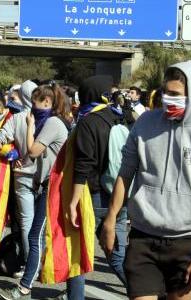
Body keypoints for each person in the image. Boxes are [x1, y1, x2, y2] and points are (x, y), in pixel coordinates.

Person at [101, 61, 191, 300]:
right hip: (142, 238)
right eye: (165, 93)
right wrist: (110, 220)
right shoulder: (145, 123)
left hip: (185, 242)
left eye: (175, 95)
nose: (168, 99)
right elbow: (125, 173)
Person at [0, 83, 71, 300]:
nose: (33, 108)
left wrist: (30, 125)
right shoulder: (52, 121)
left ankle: (24, 287)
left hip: (54, 186)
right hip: (47, 185)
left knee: (36, 235)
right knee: (44, 236)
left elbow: (33, 150)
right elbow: (35, 155)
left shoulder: (53, 123)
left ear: (47, 103)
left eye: (36, 103)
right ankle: (59, 288)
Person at [70, 75, 128, 286]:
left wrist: (74, 200)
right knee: (118, 249)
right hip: (120, 191)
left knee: (77, 247)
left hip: (96, 195)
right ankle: (145, 291)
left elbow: (84, 163)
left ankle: (74, 294)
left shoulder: (88, 121)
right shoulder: (119, 115)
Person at [0, 80, 38, 276]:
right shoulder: (47, 117)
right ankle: (39, 261)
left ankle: (29, 264)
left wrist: (14, 154)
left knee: (27, 221)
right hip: (44, 176)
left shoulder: (16, 118)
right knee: (41, 222)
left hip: (22, 176)